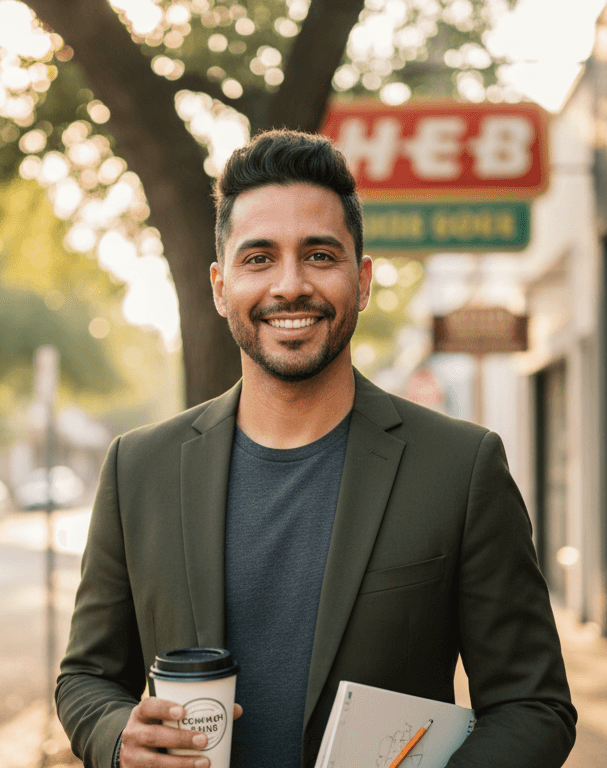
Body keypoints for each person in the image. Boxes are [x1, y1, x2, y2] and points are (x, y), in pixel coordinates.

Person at [56, 129, 576, 768]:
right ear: (221, 287)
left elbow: (534, 706)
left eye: (320, 255)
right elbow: (84, 678)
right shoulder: (138, 469)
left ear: (361, 282)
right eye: (259, 258)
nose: (290, 285)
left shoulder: (461, 469)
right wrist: (118, 739)